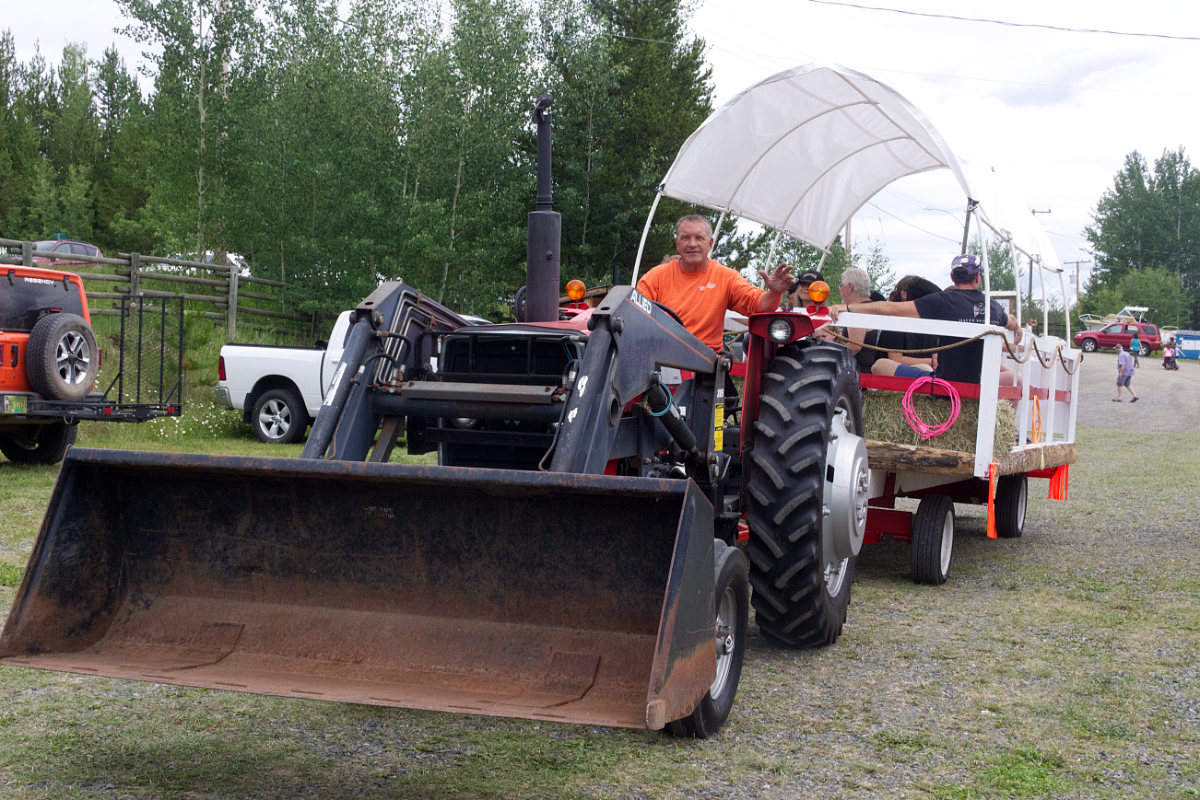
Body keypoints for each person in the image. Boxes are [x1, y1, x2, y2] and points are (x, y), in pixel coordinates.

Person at [828, 254, 1022, 386]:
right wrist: (1017, 327)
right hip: (981, 383)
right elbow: (1011, 321)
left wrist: (847, 307)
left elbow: (889, 308)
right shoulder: (992, 307)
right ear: (978, 278)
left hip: (943, 384)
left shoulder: (943, 301)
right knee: (1018, 379)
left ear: (952, 277)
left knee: (881, 365)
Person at [636, 215, 793, 353]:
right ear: (677, 243)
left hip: (706, 362)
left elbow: (757, 304)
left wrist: (775, 293)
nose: (692, 244)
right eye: (685, 238)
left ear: (710, 243)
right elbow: (636, 315)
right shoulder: (655, 277)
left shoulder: (725, 277)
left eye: (699, 238)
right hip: (660, 357)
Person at [860, 276, 942, 377]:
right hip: (892, 377)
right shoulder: (895, 322)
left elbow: (935, 355)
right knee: (925, 369)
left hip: (918, 376)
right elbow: (895, 359)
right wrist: (931, 361)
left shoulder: (929, 324)